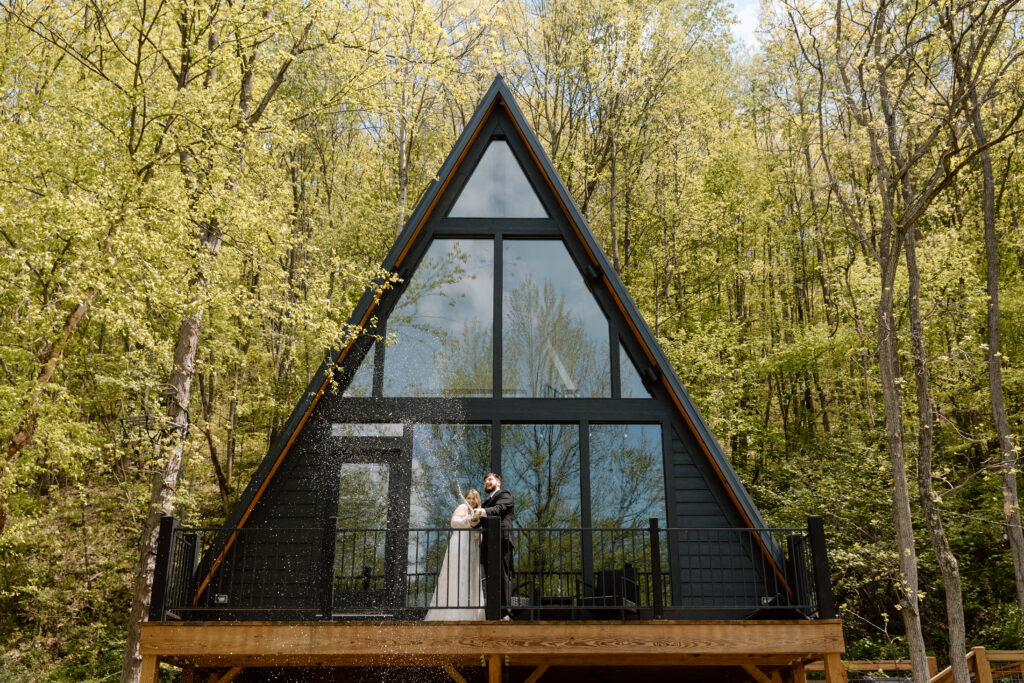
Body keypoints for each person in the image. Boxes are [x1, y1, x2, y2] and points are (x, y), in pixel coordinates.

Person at [424, 489, 485, 621]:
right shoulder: (463, 507)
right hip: (460, 542)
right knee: (458, 574)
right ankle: (454, 612)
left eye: (474, 498)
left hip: (472, 547)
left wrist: (478, 531)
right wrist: (469, 520)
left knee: (470, 576)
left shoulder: (478, 512)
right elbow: (454, 522)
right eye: (469, 498)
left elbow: (478, 536)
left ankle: (471, 613)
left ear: (478, 500)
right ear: (465, 499)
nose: (471, 501)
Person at [474, 472, 514, 620]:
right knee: (490, 578)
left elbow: (498, 510)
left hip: (502, 541)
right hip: (487, 545)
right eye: (484, 481)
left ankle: (505, 613)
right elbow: (477, 522)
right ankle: (493, 613)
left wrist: (481, 512)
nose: (486, 482)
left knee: (502, 576)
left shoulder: (505, 495)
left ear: (498, 482)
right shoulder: (484, 503)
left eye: (490, 479)